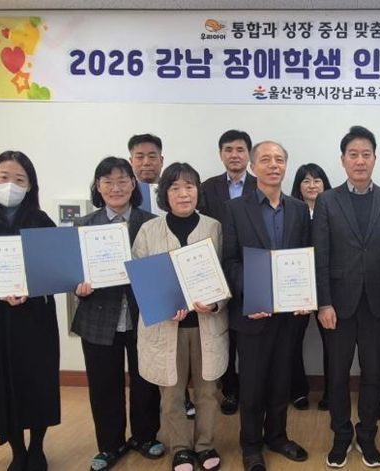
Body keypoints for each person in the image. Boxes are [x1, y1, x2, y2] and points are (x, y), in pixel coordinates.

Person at [313, 126, 380, 468]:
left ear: (375, 159)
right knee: (336, 374)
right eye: (353, 154)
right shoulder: (327, 200)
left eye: (366, 154)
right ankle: (341, 435)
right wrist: (323, 302)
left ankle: (367, 435)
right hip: (338, 304)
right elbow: (320, 255)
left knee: (374, 372)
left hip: (378, 303)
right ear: (343, 160)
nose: (360, 160)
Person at [0, 151, 60, 471]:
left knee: (37, 382)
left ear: (30, 185)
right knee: (0, 384)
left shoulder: (42, 223)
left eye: (20, 179)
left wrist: (29, 293)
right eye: (4, 177)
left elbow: (52, 274)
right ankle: (17, 450)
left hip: (34, 320)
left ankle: (37, 448)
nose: (11, 185)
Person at [133, 162, 229, 471]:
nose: (183, 193)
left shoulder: (214, 228)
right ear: (165, 194)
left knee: (208, 391)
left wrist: (214, 303)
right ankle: (180, 448)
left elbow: (227, 276)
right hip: (166, 326)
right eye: (175, 187)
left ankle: (204, 445)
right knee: (171, 393)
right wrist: (161, 304)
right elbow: (140, 280)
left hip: (205, 324)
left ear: (198, 191)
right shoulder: (149, 230)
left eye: (189, 186)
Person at [222, 141, 311, 471]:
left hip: (288, 314)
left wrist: (305, 296)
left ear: (286, 165)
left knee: (281, 379)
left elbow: (305, 256)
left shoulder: (298, 209)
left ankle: (277, 436)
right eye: (266, 159)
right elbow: (229, 261)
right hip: (253, 311)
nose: (274, 165)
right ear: (253, 166)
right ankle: (250, 445)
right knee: (253, 383)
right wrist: (253, 293)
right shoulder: (235, 209)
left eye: (279, 159)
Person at [72, 157, 163, 471]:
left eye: (123, 180)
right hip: (98, 317)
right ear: (98, 187)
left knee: (145, 380)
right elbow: (71, 273)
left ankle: (145, 436)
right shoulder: (83, 226)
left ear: (133, 184)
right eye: (108, 181)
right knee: (103, 385)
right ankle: (109, 445)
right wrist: (78, 287)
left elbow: (160, 270)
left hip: (143, 316)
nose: (116, 187)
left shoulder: (151, 223)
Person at [200, 129, 257, 416]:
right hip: (213, 272)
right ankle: (230, 390)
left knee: (248, 336)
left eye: (240, 149)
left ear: (249, 154)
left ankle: (251, 390)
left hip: (249, 272)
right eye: (228, 150)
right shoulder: (206, 188)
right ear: (220, 154)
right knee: (224, 337)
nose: (234, 155)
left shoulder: (261, 185)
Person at [289, 163, 332, 411]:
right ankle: (298, 391)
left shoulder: (334, 209)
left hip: (327, 285)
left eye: (317, 180)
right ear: (298, 186)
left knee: (332, 342)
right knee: (293, 340)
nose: (312, 185)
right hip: (298, 286)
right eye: (306, 181)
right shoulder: (290, 212)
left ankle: (331, 392)